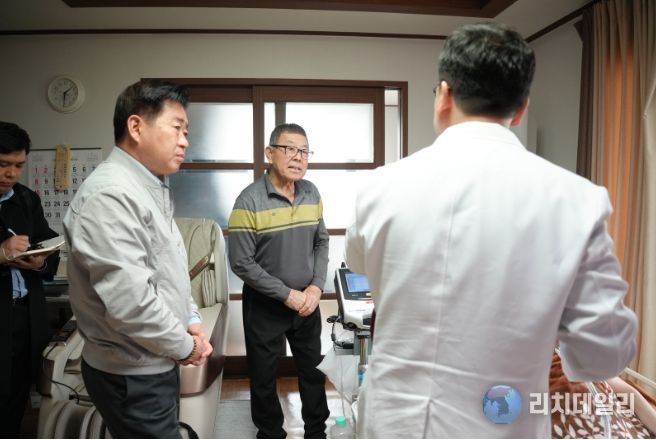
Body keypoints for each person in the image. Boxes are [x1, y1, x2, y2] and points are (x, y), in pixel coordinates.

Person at [344, 22, 638, 438]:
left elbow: (359, 265)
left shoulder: (376, 188)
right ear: (521, 109)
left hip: (391, 424)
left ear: (443, 96)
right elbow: (603, 352)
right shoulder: (576, 201)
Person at [63, 80, 212, 438]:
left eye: (186, 132)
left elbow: (169, 268)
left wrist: (190, 318)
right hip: (132, 371)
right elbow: (131, 304)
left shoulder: (147, 186)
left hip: (152, 358)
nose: (185, 141)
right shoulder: (111, 195)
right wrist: (187, 346)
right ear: (136, 126)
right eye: (177, 128)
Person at [228, 123, 330, 438]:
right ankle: (270, 433)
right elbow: (241, 262)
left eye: (304, 151)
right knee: (263, 377)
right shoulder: (248, 201)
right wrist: (287, 295)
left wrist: (316, 286)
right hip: (265, 305)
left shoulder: (312, 192)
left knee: (313, 371)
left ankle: (317, 432)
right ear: (269, 153)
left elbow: (321, 241)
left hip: (307, 302)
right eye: (290, 149)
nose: (298, 157)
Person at [0, 121, 60, 438]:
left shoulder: (26, 199)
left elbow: (46, 242)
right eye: (3, 164)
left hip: (26, 315)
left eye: (18, 165)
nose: (11, 174)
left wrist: (40, 261)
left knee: (18, 396)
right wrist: (1, 253)